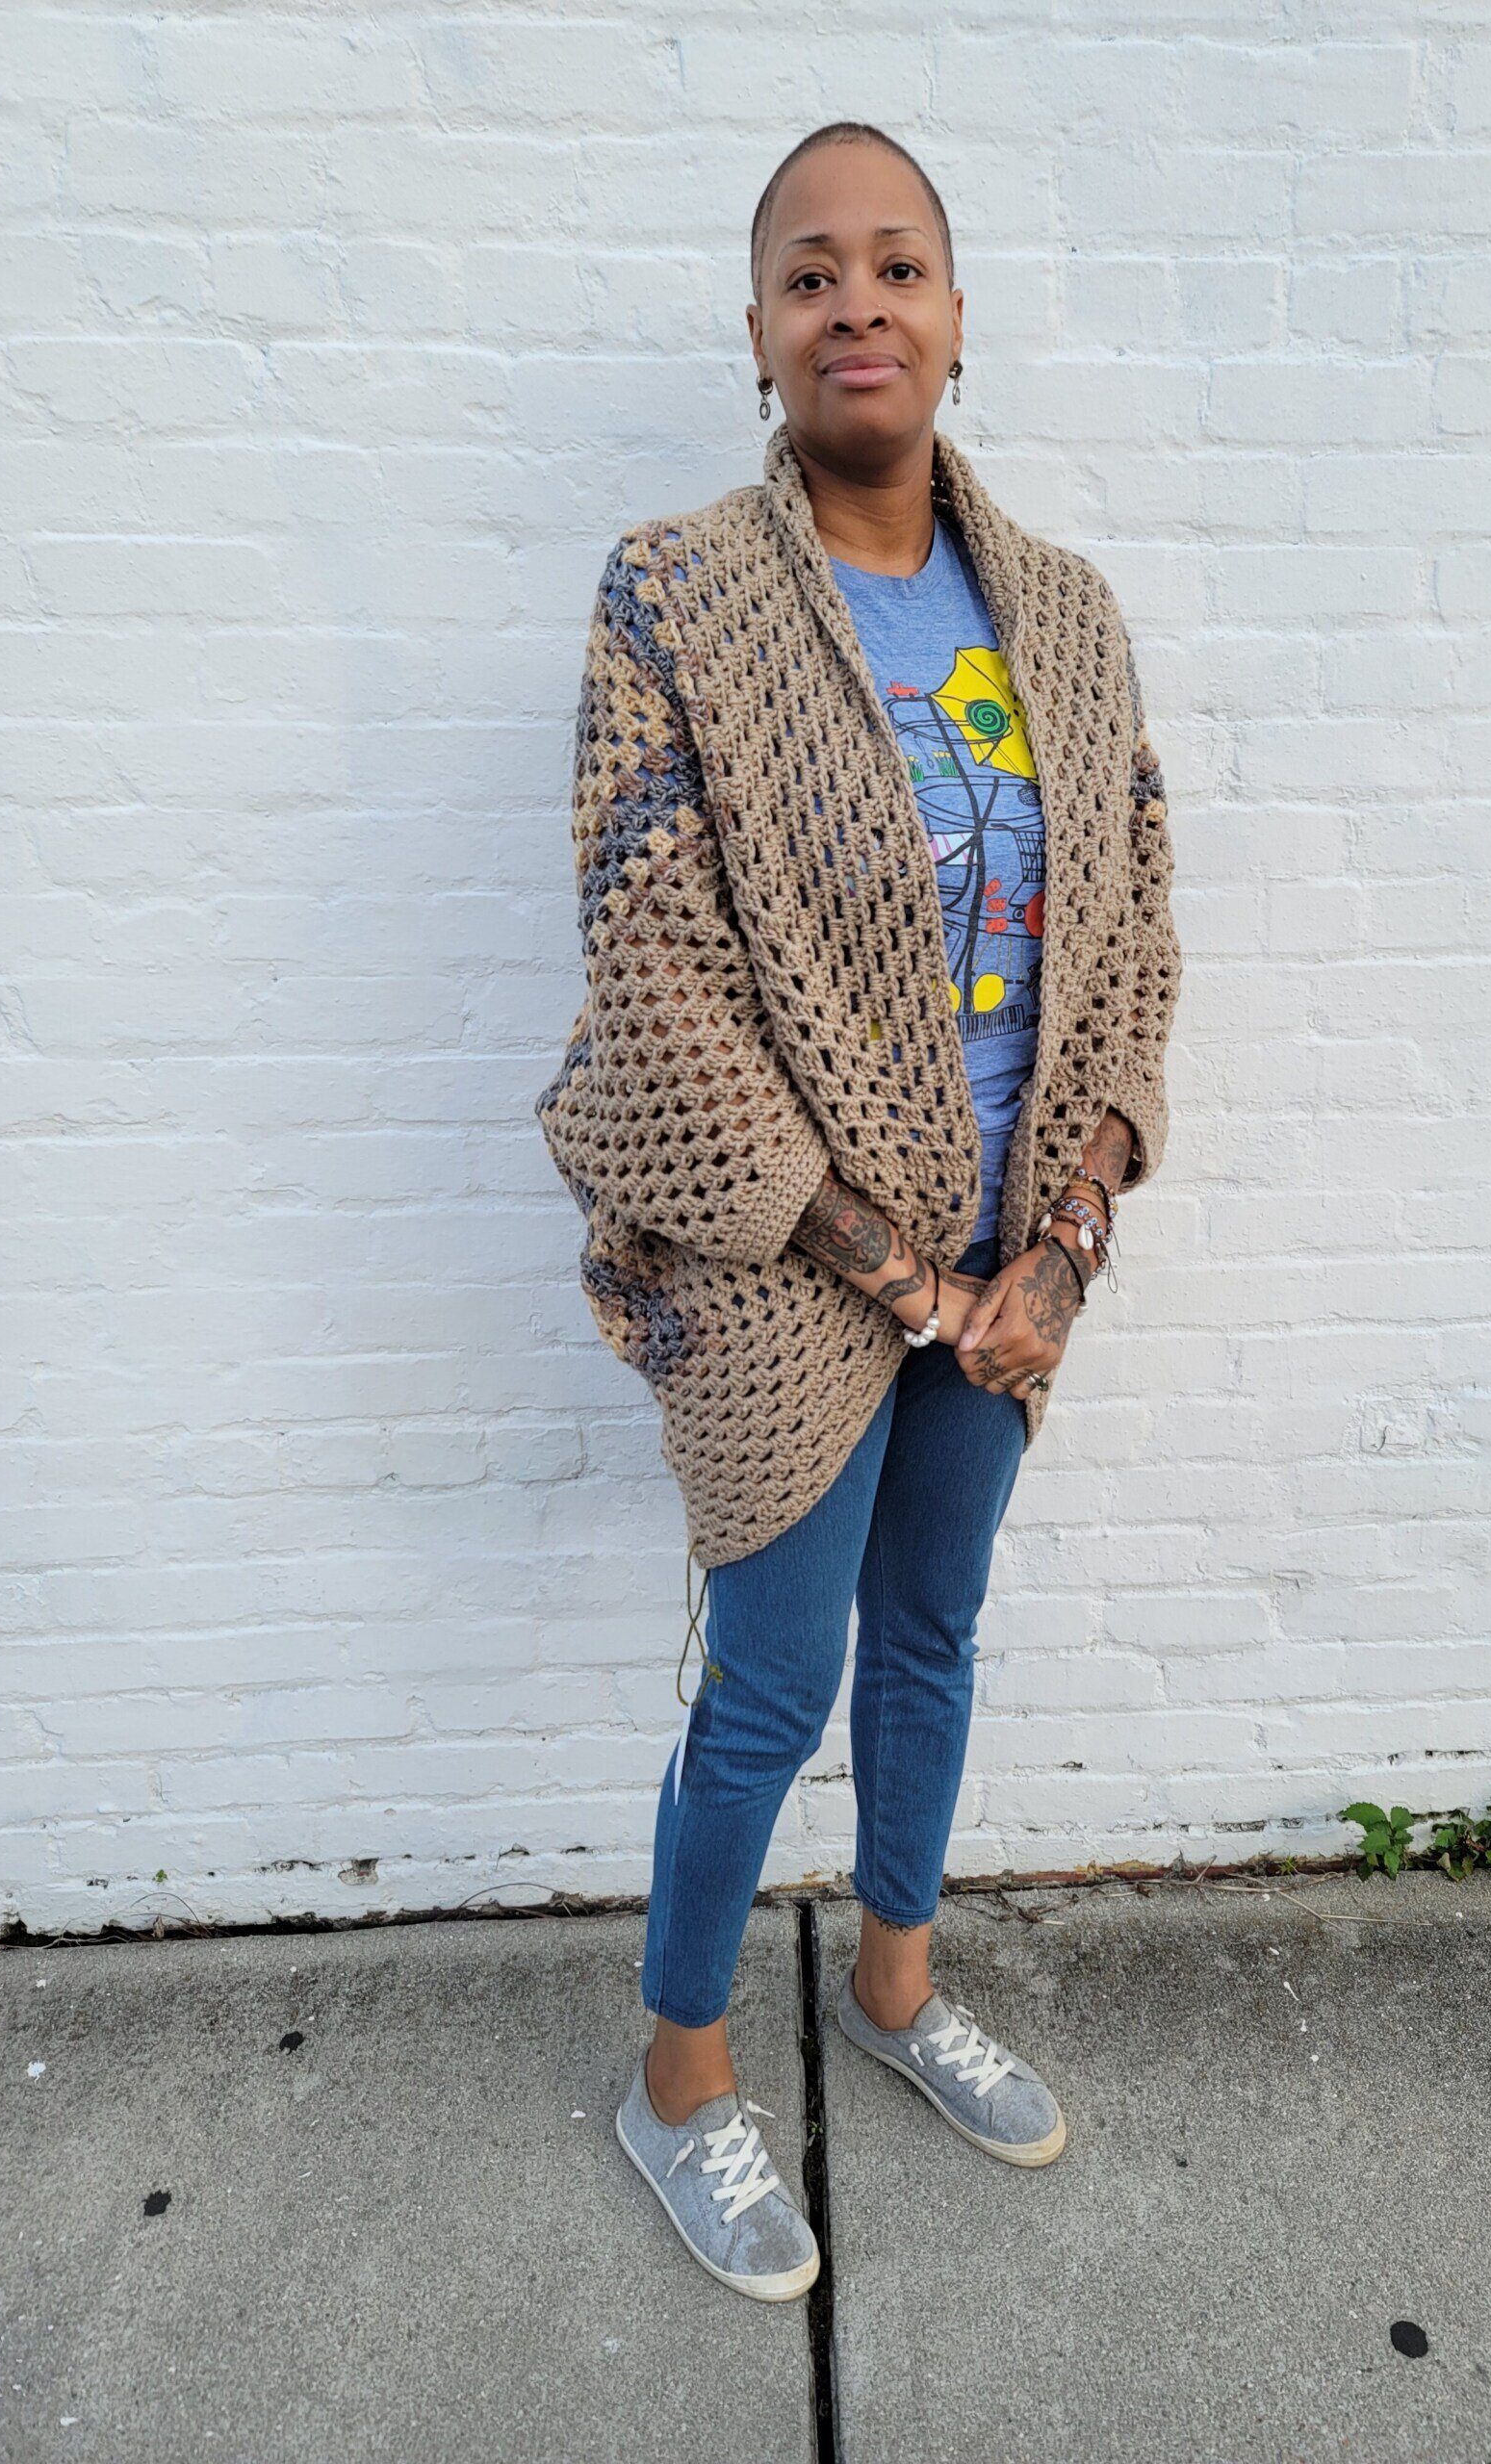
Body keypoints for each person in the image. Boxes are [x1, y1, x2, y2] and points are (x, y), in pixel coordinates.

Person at [536, 119, 1180, 2302]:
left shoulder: (1068, 622)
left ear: (958, 316)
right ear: (757, 335)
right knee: (766, 1692)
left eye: (898, 265)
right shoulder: (676, 597)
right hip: (786, 1271)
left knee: (932, 1639)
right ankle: (684, 2077)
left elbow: (1140, 928)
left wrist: (1057, 1244)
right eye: (812, 273)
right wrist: (902, 1275)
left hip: (1009, 1263)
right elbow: (659, 971)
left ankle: (897, 1991)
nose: (859, 303)